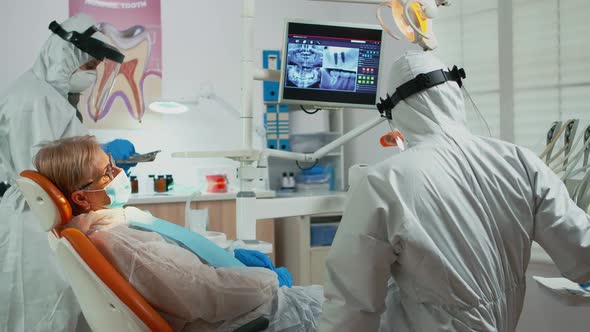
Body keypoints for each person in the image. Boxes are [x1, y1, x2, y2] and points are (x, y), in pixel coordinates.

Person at [319, 50, 590, 332]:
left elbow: (350, 308)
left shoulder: (384, 183)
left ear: (396, 112)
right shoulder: (521, 161)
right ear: (455, 91)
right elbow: (583, 254)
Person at [33, 135, 324, 332]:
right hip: (263, 316)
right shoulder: (120, 240)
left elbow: (184, 277)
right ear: (81, 198)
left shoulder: (104, 229)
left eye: (113, 162)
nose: (119, 172)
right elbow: (213, 292)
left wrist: (226, 260)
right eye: (108, 171)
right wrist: (271, 279)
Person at [0, 14, 134, 331]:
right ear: (65, 55)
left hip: (43, 218)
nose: (90, 77)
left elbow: (59, 151)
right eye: (87, 68)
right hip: (35, 222)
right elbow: (47, 166)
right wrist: (102, 160)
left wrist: (100, 159)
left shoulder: (45, 95)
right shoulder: (36, 99)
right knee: (39, 310)